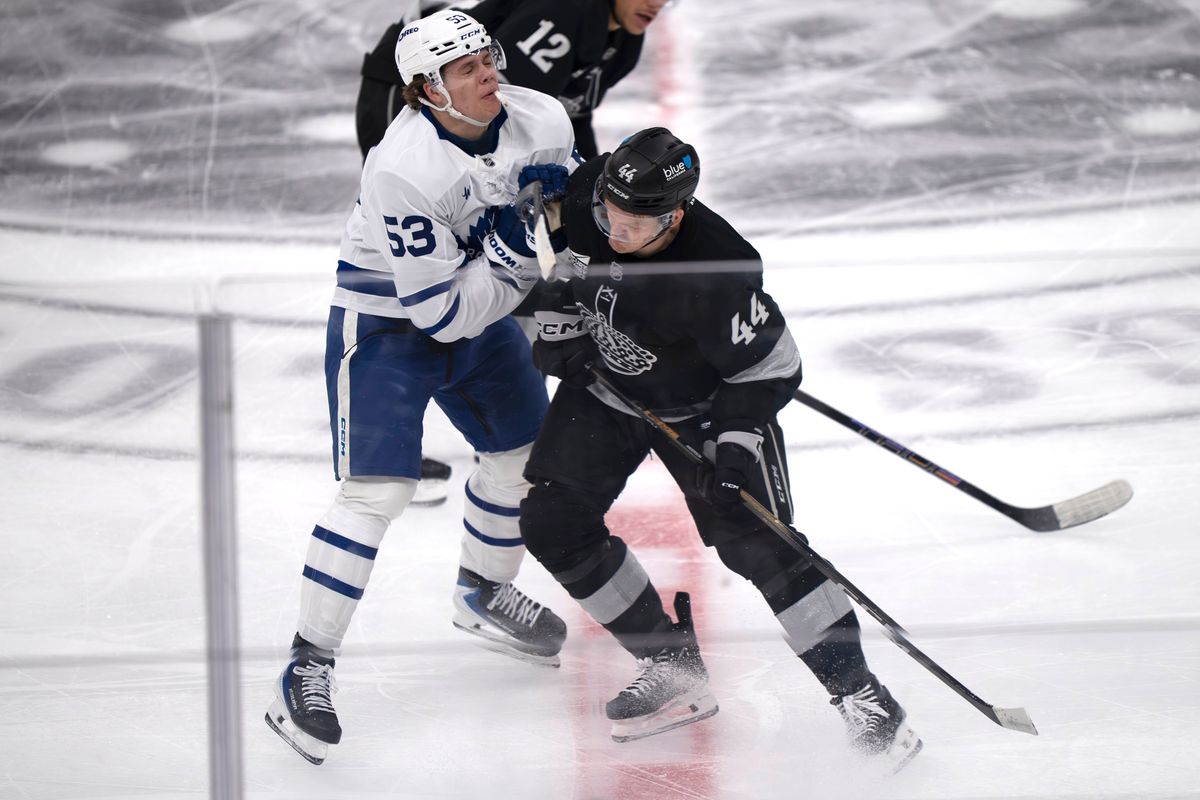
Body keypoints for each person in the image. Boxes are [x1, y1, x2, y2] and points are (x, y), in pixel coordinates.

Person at [517, 127, 923, 772]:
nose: (612, 231)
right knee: (552, 521)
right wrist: (556, 326)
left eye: (631, 225)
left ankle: (860, 694)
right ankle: (669, 661)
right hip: (610, 390)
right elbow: (556, 255)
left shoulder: (720, 269)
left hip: (703, 411)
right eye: (607, 215)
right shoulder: (599, 188)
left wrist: (735, 444)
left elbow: (772, 368)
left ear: (674, 215)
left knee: (762, 547)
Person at [266, 8, 576, 765]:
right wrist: (514, 251)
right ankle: (306, 664)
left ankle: (482, 591)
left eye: (487, 56)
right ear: (424, 90)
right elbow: (439, 315)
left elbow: (566, 227)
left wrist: (561, 223)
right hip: (386, 323)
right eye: (465, 68)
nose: (489, 73)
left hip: (475, 303)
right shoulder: (402, 165)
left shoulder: (541, 119)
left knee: (524, 458)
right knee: (377, 493)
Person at [357, 0, 672, 162]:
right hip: (408, 89)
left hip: (464, 103)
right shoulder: (566, 10)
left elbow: (573, 113)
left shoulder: (626, 44)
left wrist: (590, 179)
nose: (656, 4)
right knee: (420, 208)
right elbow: (499, 95)